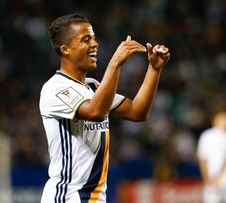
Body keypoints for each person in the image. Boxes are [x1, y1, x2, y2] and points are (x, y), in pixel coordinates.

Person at [39, 14, 170, 203]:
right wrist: (116, 62)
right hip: (67, 197)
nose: (94, 44)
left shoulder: (92, 87)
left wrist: (154, 69)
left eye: (93, 38)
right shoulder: (55, 88)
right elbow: (96, 112)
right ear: (65, 49)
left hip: (94, 198)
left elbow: (137, 111)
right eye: (86, 39)